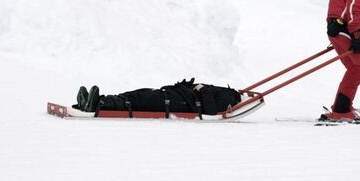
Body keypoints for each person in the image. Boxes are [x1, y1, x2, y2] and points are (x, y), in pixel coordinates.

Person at [73, 78, 242, 116]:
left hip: (180, 103)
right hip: (175, 95)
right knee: (137, 94)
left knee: (140, 101)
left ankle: (98, 104)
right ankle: (95, 100)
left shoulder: (229, 97)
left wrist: (202, 89)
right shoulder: (224, 92)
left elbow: (211, 109)